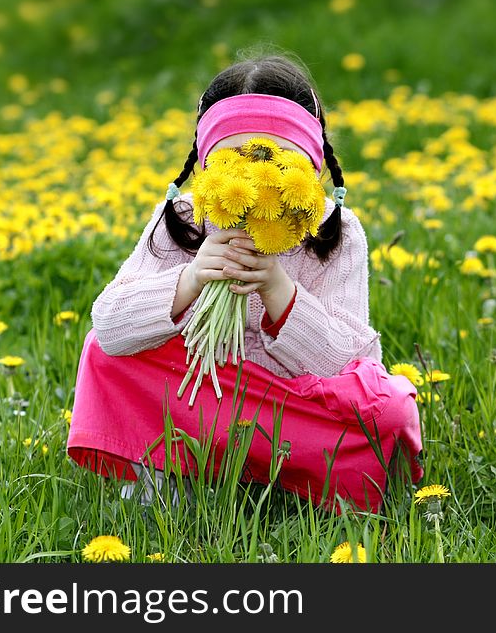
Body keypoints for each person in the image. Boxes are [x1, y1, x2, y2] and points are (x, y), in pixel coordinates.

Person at [66, 54, 424, 514]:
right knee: (102, 351)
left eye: (276, 161)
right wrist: (191, 278)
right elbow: (112, 325)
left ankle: (308, 478)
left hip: (290, 413)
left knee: (391, 408)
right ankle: (172, 469)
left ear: (311, 167)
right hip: (200, 400)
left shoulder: (338, 231)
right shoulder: (182, 218)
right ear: (207, 165)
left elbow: (349, 363)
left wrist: (279, 292)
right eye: (235, 162)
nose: (256, 181)